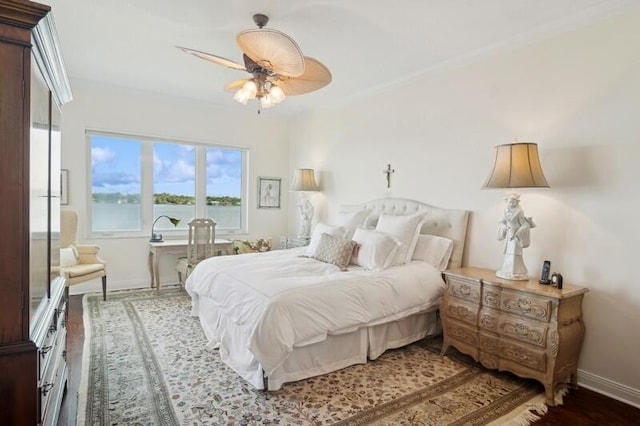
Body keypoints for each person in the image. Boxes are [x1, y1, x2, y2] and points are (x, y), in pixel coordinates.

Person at [496, 192, 535, 279]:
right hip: (509, 233)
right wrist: (504, 227)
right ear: (507, 201)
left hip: (516, 234)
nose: (512, 203)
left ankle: (516, 271)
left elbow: (523, 224)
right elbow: (501, 222)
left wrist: (518, 232)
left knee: (515, 252)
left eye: (514, 201)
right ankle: (506, 270)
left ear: (517, 202)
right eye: (510, 201)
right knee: (508, 252)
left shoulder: (520, 211)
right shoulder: (505, 211)